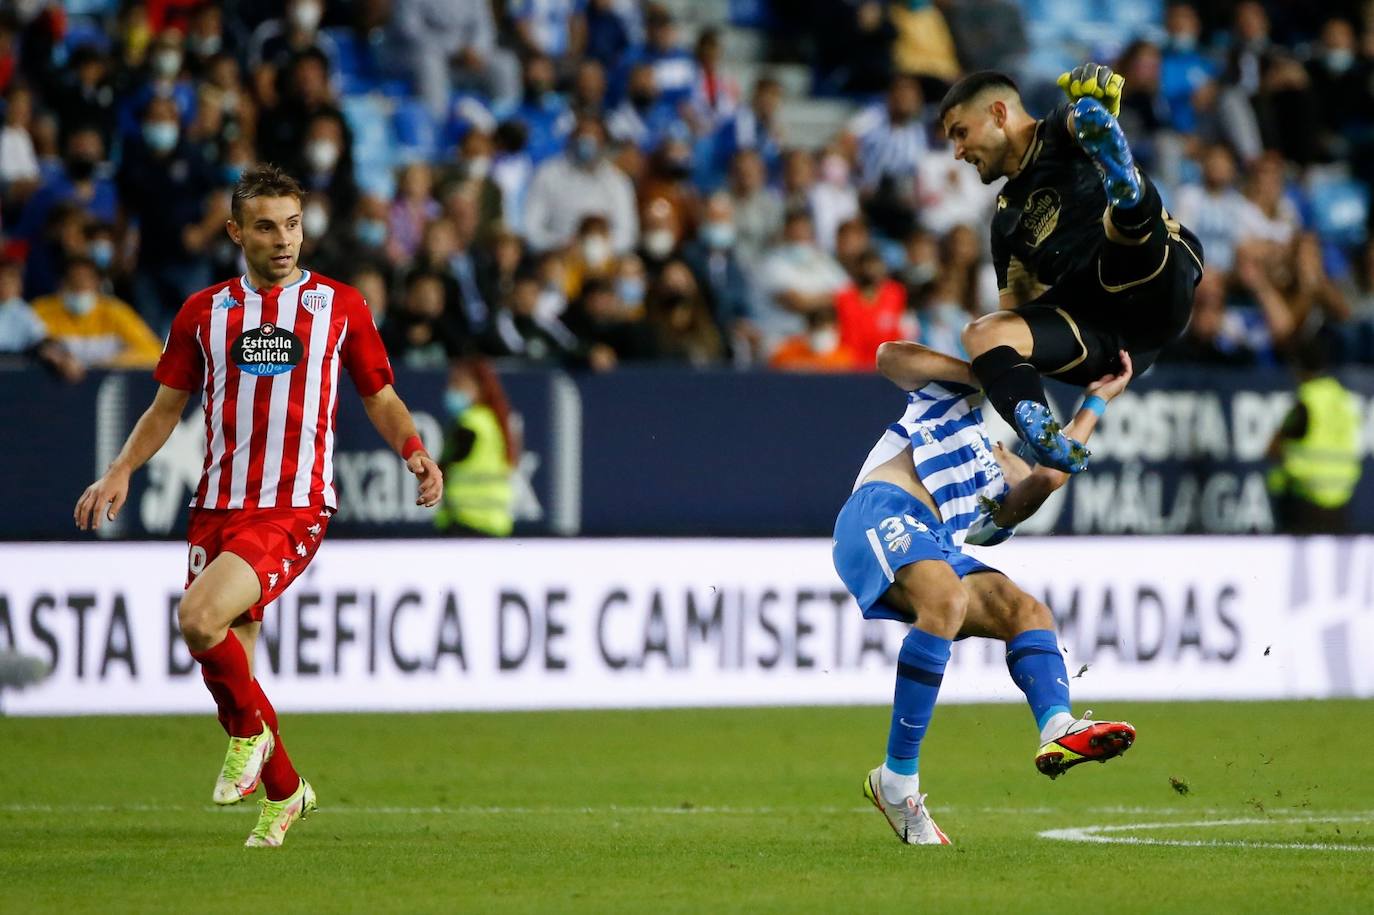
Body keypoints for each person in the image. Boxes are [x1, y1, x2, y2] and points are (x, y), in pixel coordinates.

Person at [73, 165, 443, 848]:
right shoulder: (203, 313)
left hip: (292, 507)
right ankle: (286, 791)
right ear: (236, 230)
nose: (284, 240)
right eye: (268, 226)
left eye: (294, 225)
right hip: (216, 506)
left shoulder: (342, 306)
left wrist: (414, 448)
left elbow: (380, 397)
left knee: (196, 618)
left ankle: (249, 737)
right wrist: (120, 468)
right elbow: (165, 408)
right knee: (230, 665)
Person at [835, 341, 1137, 844]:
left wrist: (1097, 402)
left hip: (933, 540)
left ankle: (1057, 727)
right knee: (947, 599)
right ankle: (899, 779)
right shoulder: (955, 399)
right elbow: (888, 355)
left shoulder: (992, 507)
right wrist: (990, 379)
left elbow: (1051, 471)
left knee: (1027, 612)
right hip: (879, 510)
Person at [939, 65, 1204, 473]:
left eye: (960, 132)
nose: (957, 152)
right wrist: (1020, 393)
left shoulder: (1058, 132)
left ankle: (1127, 193)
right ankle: (1041, 436)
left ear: (997, 114)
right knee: (983, 333)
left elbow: (1078, 118)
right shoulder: (1004, 223)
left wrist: (1090, 115)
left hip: (1157, 280)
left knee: (1117, 240)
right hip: (1111, 342)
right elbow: (1021, 334)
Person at [1265, 334, 1362, 534]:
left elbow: (1273, 448)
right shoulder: (1343, 399)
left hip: (1306, 503)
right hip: (1341, 502)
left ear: (1297, 366)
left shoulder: (1307, 402)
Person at [435, 357, 518, 537]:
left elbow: (444, 466)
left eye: (458, 385)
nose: (451, 391)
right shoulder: (495, 422)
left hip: (467, 521)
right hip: (496, 523)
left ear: (478, 388)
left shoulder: (470, 425)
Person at [31, 257, 163, 369]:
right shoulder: (42, 311)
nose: (79, 286)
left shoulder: (115, 312)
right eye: (73, 281)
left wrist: (110, 363)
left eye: (85, 281)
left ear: (97, 284)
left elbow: (153, 351)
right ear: (62, 283)